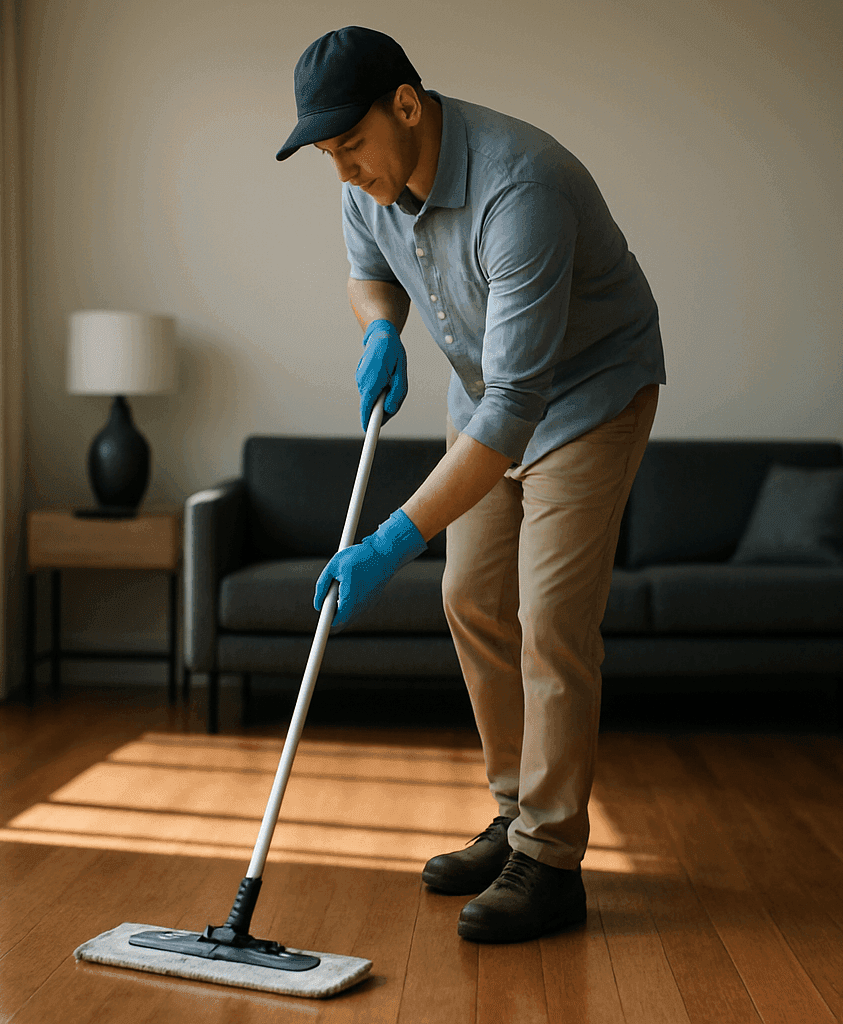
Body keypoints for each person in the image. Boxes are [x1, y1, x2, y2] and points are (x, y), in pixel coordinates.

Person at [276, 26, 665, 944]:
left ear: (406, 105)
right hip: (486, 389)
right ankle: (514, 815)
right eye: (327, 155)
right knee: (470, 598)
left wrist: (388, 541)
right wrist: (380, 331)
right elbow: (371, 274)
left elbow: (514, 413)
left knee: (552, 620)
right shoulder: (364, 179)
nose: (344, 172)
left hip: (587, 398)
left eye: (352, 146)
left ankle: (553, 860)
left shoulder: (519, 188)